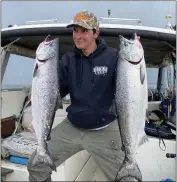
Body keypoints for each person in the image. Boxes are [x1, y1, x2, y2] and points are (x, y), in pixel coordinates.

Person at [27, 11, 125, 182]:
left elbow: (127, 89)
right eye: (75, 31)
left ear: (96, 32)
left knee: (127, 176)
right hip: (72, 127)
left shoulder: (113, 57)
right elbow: (54, 91)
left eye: (84, 31)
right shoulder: (68, 60)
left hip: (104, 128)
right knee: (36, 165)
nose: (78, 36)